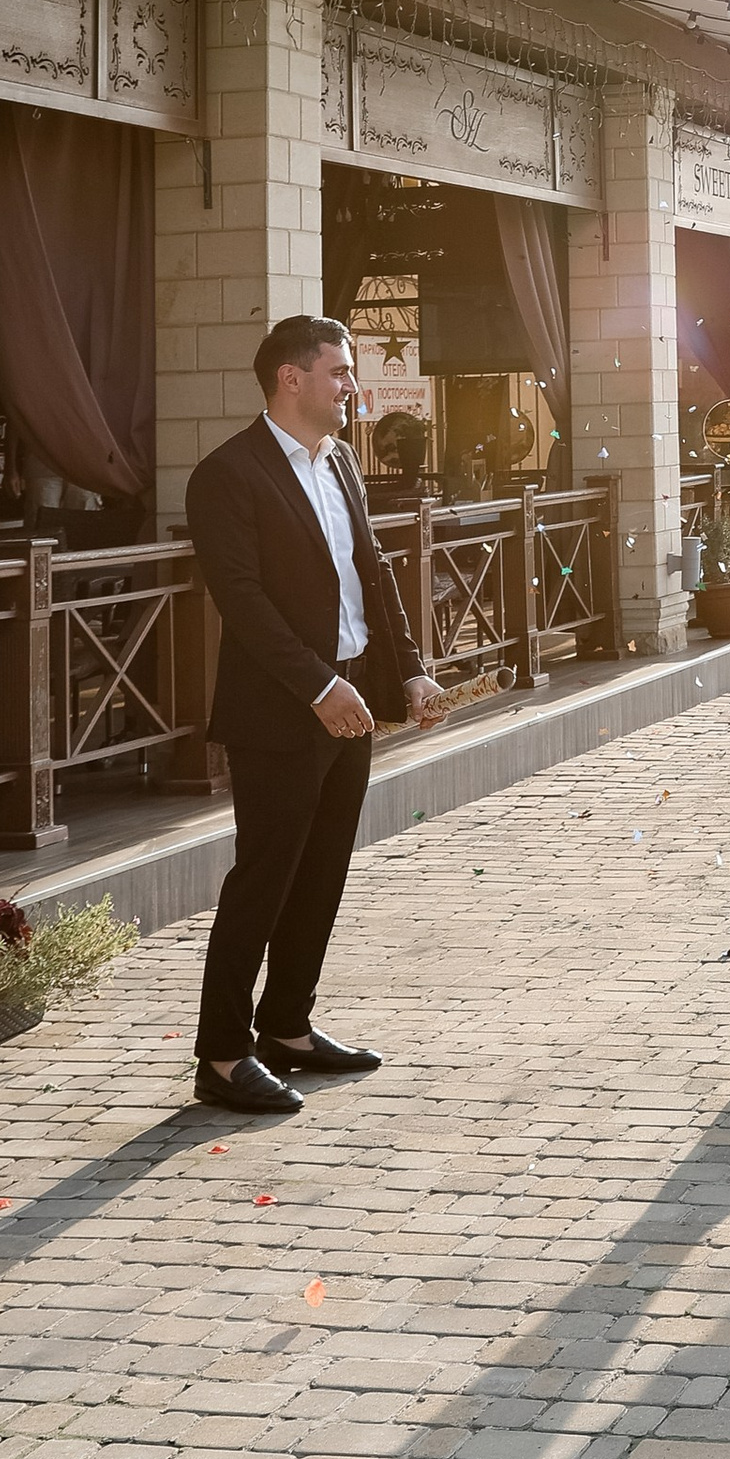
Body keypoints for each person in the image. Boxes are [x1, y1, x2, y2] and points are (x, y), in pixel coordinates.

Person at [185, 315, 446, 1116]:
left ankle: (288, 1028)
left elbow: (374, 572)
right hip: (280, 713)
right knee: (264, 879)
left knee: (322, 874)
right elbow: (244, 603)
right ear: (290, 379)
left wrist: (410, 670)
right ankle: (223, 1055)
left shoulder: (341, 464)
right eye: (338, 371)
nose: (351, 385)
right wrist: (317, 687)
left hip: (354, 701)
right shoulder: (227, 474)